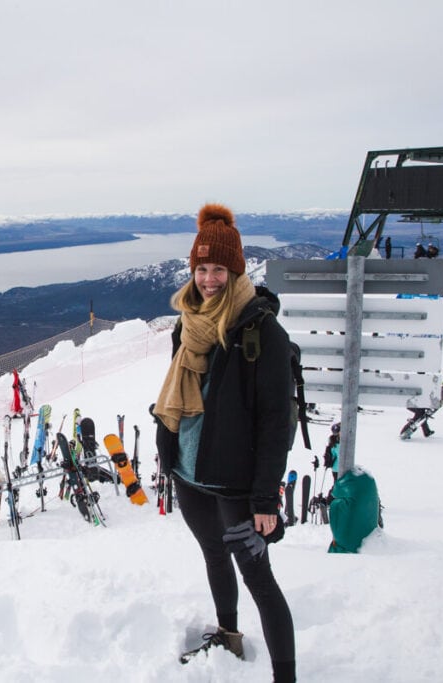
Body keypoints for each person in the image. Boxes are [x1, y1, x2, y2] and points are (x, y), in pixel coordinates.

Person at [152, 204, 295, 681]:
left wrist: (264, 496)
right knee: (214, 556)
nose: (208, 279)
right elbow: (177, 394)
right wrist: (167, 453)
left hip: (237, 483)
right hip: (191, 473)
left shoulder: (262, 332)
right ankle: (228, 636)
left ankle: (286, 676)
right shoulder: (186, 324)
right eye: (201, 269)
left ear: (236, 271)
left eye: (218, 269)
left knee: (260, 579)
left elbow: (278, 422)